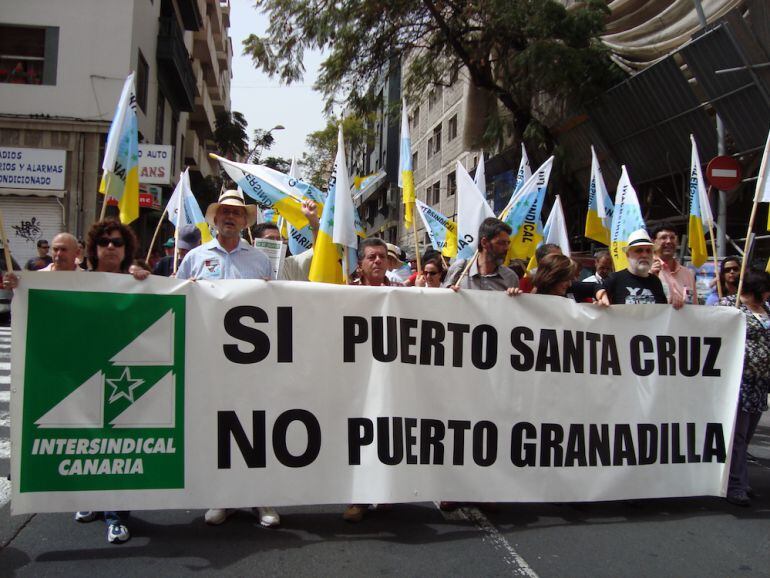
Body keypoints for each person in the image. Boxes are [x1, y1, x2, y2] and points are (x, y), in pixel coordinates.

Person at [176, 189, 278, 528]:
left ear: (245, 221)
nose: (230, 218)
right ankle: (222, 497)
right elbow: (176, 303)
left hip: (252, 365)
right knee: (218, 429)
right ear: (215, 219)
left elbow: (276, 309)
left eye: (237, 213)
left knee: (255, 428)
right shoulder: (194, 258)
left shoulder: (260, 261)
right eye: (225, 213)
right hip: (210, 362)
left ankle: (261, 498)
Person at [74, 218, 147, 543]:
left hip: (125, 374)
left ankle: (116, 514)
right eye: (105, 242)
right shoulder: (76, 282)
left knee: (120, 442)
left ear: (127, 248)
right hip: (86, 372)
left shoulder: (139, 280)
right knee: (90, 440)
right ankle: (92, 498)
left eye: (118, 242)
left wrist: (146, 281)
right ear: (94, 248)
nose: (111, 247)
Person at [718, 270, 770, 506]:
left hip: (761, 382)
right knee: (737, 435)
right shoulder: (731, 305)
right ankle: (735, 485)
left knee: (746, 436)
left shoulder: (767, 309)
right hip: (739, 381)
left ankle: (739, 476)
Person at [596, 229, 682, 308]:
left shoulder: (656, 282)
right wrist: (600, 300)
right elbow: (594, 294)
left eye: (648, 251)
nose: (644, 255)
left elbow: (661, 314)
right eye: (639, 251)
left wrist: (674, 305)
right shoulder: (614, 279)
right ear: (628, 255)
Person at [443, 218, 520, 295]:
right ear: (484, 242)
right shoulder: (459, 269)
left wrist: (514, 298)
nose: (507, 248)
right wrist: (450, 293)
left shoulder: (510, 277)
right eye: (501, 243)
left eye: (508, 243)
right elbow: (442, 301)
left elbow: (513, 306)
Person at [650, 224, 697, 304]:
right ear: (653, 242)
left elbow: (695, 306)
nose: (669, 241)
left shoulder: (688, 274)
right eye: (663, 237)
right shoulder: (647, 271)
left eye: (672, 238)